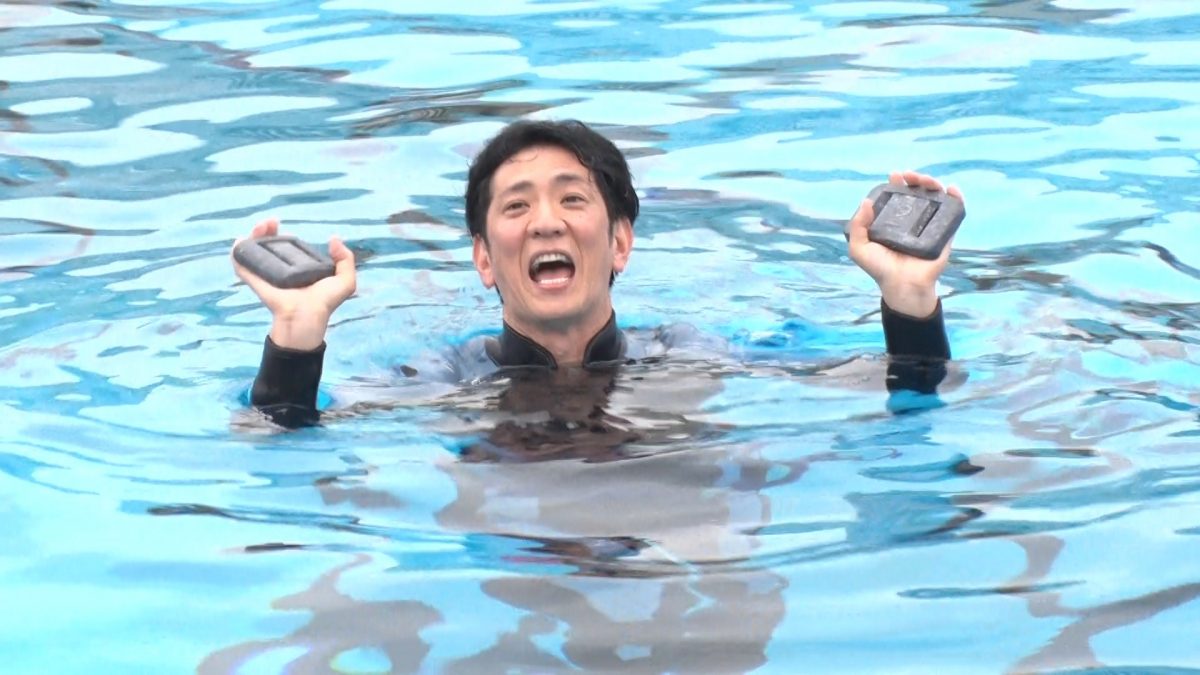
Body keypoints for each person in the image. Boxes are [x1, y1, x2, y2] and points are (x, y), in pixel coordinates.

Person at [232, 119, 960, 426]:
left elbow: (910, 387)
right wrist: (296, 336)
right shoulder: (441, 382)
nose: (546, 221)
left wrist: (909, 299)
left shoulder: (690, 354)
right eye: (516, 206)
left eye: (573, 199)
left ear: (620, 244)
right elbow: (278, 430)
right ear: (483, 258)